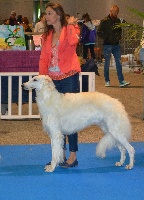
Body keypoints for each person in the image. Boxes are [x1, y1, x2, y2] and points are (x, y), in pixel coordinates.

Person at [39, 2, 81, 167]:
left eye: (49, 13)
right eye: (46, 13)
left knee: (71, 117)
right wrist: (42, 78)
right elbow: (43, 58)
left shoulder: (71, 29)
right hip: (52, 80)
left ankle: (73, 155)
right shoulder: (46, 36)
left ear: (58, 14)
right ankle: (60, 155)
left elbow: (72, 42)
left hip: (69, 77)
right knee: (55, 119)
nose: (46, 17)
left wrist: (70, 25)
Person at [97, 5, 130, 87]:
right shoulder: (104, 21)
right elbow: (98, 32)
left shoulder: (119, 20)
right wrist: (106, 37)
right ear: (110, 11)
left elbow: (121, 29)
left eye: (116, 12)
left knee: (119, 62)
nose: (115, 14)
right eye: (114, 12)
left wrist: (119, 37)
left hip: (116, 44)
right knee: (107, 63)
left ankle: (121, 81)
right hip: (107, 44)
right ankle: (107, 81)